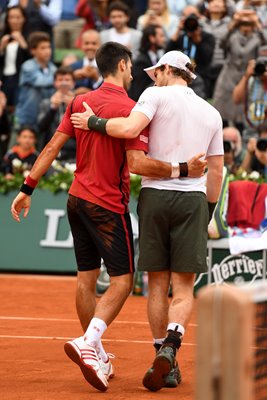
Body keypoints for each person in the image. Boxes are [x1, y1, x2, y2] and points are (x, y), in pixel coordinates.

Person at [10, 43, 206, 392]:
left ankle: (97, 352)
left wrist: (27, 188)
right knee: (121, 282)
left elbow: (52, 148)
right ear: (123, 64)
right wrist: (182, 168)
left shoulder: (79, 101)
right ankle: (89, 344)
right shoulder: (132, 110)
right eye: (132, 68)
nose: (134, 74)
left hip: (75, 201)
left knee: (85, 279)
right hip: (106, 205)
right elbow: (138, 165)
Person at [71, 50, 224, 392]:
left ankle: (163, 354)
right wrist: (209, 212)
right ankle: (172, 343)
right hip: (194, 198)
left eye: (157, 71)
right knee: (184, 288)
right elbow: (216, 170)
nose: (153, 77)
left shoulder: (153, 95)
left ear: (169, 70)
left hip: (156, 196)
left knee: (157, 283)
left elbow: (127, 128)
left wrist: (91, 122)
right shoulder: (212, 112)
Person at [15, 31, 57, 131]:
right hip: (25, 119)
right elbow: (41, 81)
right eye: (43, 48)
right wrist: (63, 79)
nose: (47, 51)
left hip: (45, 120)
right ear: (33, 51)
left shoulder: (54, 69)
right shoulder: (27, 66)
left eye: (49, 47)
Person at [38, 66, 76, 159]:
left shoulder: (80, 104)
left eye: (67, 80)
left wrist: (74, 107)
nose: (64, 83)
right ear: (55, 83)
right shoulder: (46, 103)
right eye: (60, 80)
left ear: (73, 83)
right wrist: (52, 108)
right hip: (51, 150)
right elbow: (41, 127)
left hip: (74, 151)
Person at [0, 5, 30, 109]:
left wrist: (23, 44)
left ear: (24, 19)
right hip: (4, 79)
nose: (14, 21)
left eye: (18, 17)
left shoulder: (29, 37)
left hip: (20, 80)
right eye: (11, 17)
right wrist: (1, 48)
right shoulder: (2, 36)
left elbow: (33, 60)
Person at [128, 24, 166, 101]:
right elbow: (138, 91)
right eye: (161, 36)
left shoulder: (156, 57)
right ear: (152, 38)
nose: (164, 39)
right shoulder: (141, 62)